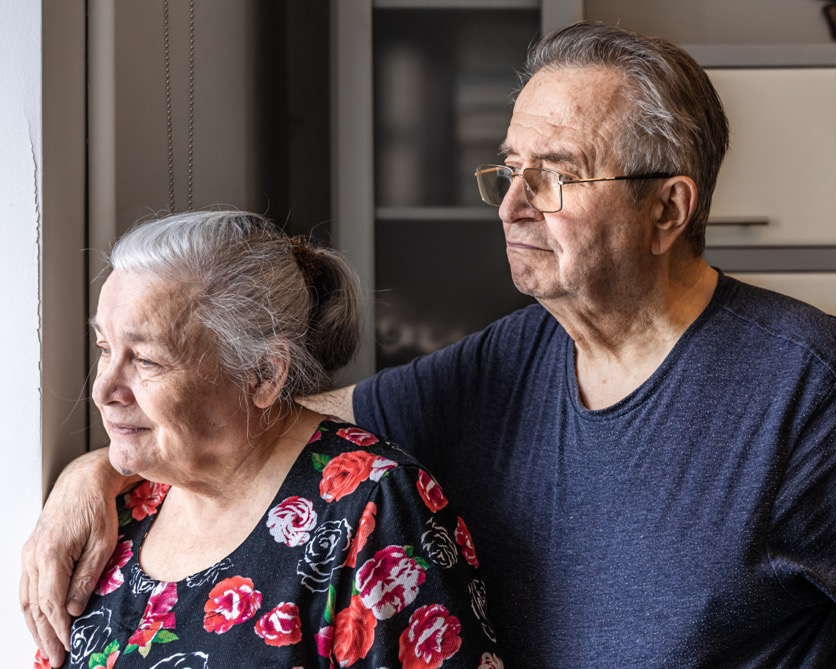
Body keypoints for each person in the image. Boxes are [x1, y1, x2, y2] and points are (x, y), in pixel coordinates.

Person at [23, 21, 836, 667]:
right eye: (509, 170)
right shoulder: (511, 359)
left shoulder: (810, 386)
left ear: (668, 208)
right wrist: (97, 473)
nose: (509, 204)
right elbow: (271, 415)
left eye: (556, 176)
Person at [25, 211, 500, 668]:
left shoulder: (374, 508)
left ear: (262, 375)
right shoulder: (119, 507)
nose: (103, 390)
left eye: (147, 361)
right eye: (105, 349)